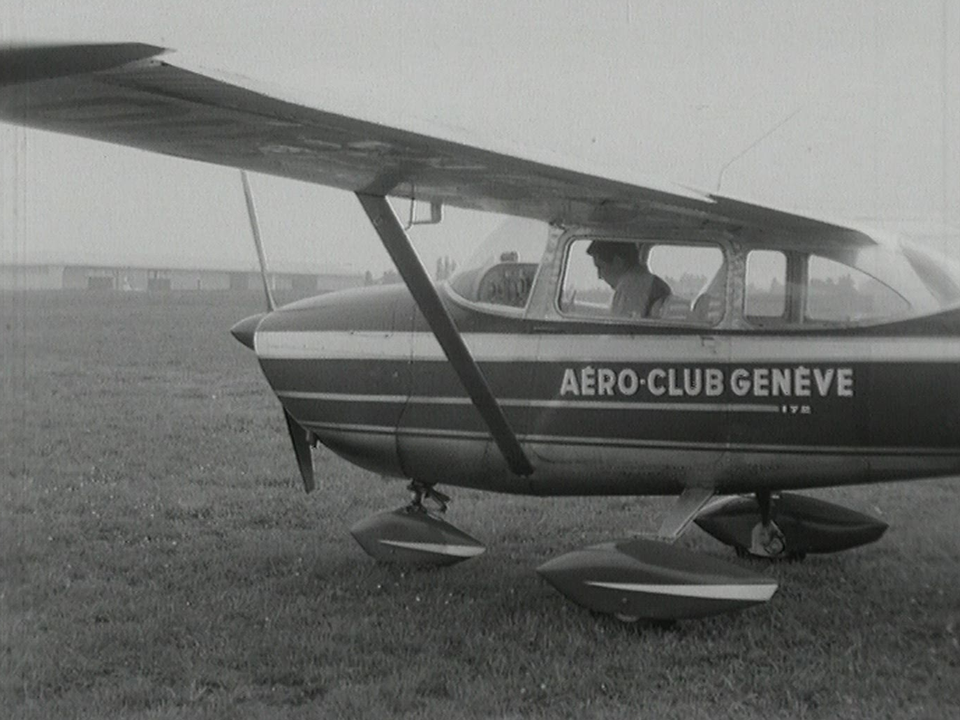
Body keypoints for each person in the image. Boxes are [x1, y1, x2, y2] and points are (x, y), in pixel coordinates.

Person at [586, 241, 671, 318]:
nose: (599, 276)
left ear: (618, 262)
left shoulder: (630, 287)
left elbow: (621, 331)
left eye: (601, 267)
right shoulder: (654, 283)